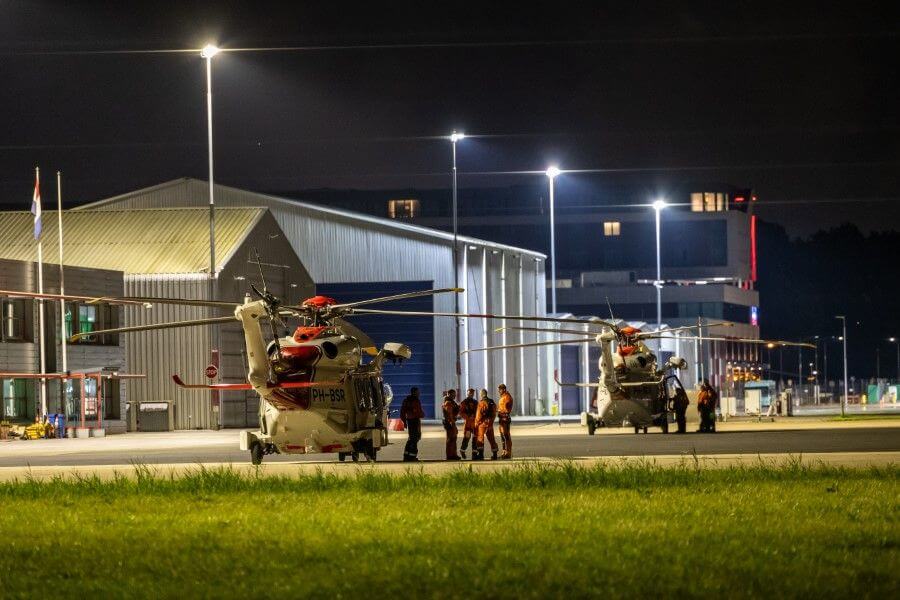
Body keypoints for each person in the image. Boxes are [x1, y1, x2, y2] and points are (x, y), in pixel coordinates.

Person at [400, 387, 425, 461]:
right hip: (414, 421)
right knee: (414, 439)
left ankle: (406, 456)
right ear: (414, 392)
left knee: (411, 439)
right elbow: (418, 412)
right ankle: (412, 457)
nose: (419, 393)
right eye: (418, 392)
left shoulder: (406, 400)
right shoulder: (415, 401)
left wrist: (404, 422)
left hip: (410, 421)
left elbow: (402, 412)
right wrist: (422, 415)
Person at [473, 388, 499, 460]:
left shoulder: (481, 403)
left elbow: (478, 415)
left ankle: (481, 455)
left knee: (480, 439)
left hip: (482, 424)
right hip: (490, 423)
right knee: (492, 439)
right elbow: (494, 413)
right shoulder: (492, 402)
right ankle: (495, 455)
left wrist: (476, 424)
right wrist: (491, 422)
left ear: (481, 395)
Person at [458, 388, 478, 459]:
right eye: (470, 393)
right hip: (468, 423)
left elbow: (478, 412)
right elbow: (461, 412)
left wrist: (475, 417)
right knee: (467, 437)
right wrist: (468, 417)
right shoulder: (464, 402)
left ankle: (474, 454)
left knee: (475, 438)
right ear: (467, 393)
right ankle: (462, 450)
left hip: (475, 423)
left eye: (472, 393)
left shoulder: (476, 402)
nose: (471, 394)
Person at [442, 389, 461, 460]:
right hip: (449, 422)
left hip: (450, 421)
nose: (455, 396)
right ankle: (450, 455)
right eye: (453, 395)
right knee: (451, 439)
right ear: (449, 394)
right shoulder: (448, 402)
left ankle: (453, 454)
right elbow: (449, 415)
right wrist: (453, 423)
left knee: (453, 438)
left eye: (455, 395)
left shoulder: (451, 402)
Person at [497, 384, 514, 459]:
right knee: (503, 436)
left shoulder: (507, 397)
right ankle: (504, 452)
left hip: (505, 419)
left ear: (503, 389)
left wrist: (501, 411)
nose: (498, 391)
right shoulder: (503, 397)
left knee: (506, 436)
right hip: (502, 419)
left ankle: (508, 453)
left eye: (500, 389)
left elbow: (507, 407)